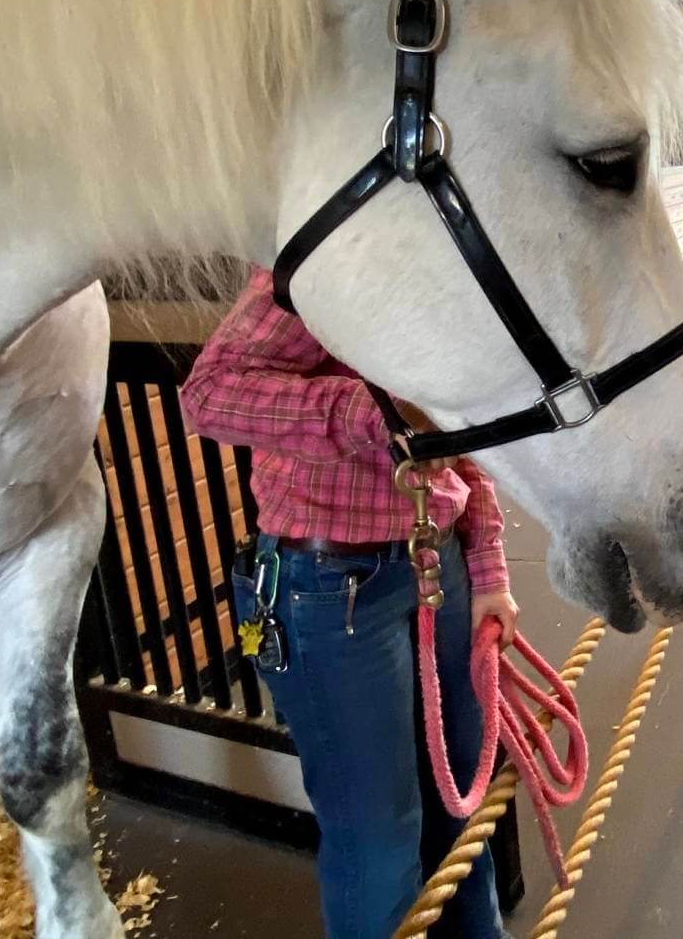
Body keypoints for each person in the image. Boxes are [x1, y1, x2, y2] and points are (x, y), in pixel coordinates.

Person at [180, 266, 518, 939]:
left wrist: (487, 568)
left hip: (435, 564)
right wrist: (376, 416)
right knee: (380, 840)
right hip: (329, 586)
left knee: (466, 812)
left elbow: (461, 437)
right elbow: (208, 396)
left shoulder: (446, 269)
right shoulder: (319, 268)